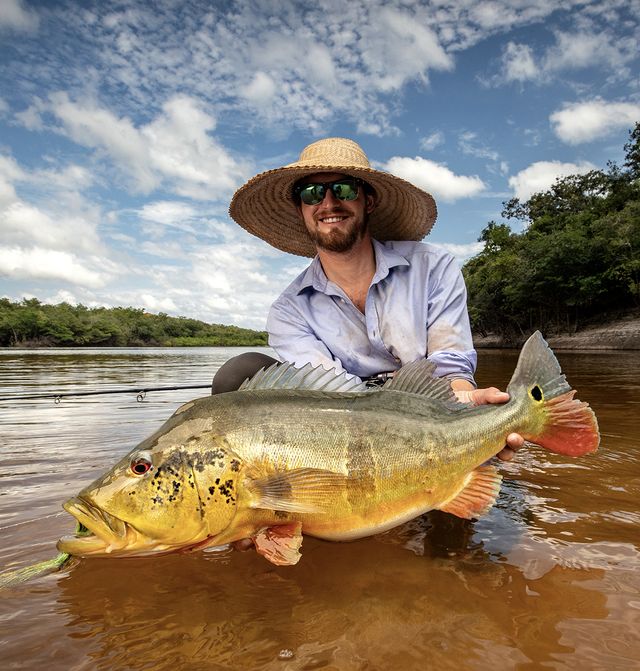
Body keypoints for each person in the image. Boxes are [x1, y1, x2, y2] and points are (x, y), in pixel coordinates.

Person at [221, 137, 523, 461]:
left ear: (369, 200)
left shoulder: (433, 267)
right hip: (345, 422)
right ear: (301, 210)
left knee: (457, 507)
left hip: (427, 408)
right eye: (311, 194)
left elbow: (450, 370)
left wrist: (465, 414)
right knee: (238, 374)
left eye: (344, 190)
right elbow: (329, 393)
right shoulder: (288, 311)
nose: (328, 204)